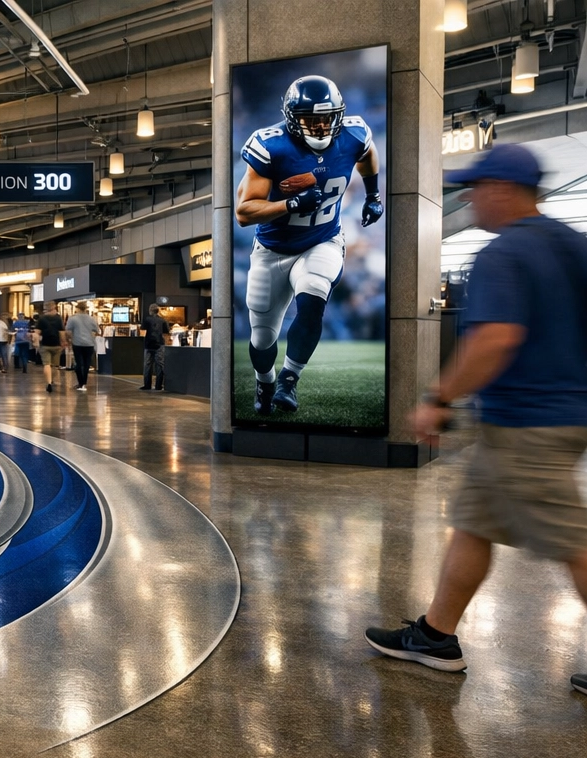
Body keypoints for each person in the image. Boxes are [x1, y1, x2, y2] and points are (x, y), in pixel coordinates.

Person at [366, 144, 587, 694]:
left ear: (502, 190)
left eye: (476, 189)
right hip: (553, 416)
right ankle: (436, 636)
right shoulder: (574, 246)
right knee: (474, 523)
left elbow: (495, 339)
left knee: (571, 541)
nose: (469, 200)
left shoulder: (503, 254)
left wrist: (438, 397)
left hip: (530, 425)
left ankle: (436, 635)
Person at [236, 74, 383, 417]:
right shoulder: (271, 145)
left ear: (338, 115)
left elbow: (368, 154)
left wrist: (373, 195)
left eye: (327, 118)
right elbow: (244, 213)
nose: (319, 127)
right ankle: (265, 380)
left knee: (314, 297)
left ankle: (289, 380)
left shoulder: (353, 133)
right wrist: (289, 204)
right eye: (310, 120)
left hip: (322, 239)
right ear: (292, 119)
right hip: (272, 249)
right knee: (262, 336)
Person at [33, 304, 68, 394]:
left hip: (45, 344)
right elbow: (62, 332)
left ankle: (48, 383)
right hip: (56, 345)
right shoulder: (58, 319)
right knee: (55, 366)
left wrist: (35, 343)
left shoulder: (41, 319)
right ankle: (51, 379)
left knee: (46, 364)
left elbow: (37, 332)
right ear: (54, 308)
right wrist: (63, 342)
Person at [66, 301, 99, 392]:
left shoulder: (73, 319)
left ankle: (81, 383)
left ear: (77, 308)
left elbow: (68, 331)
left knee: (78, 363)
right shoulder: (92, 319)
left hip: (77, 343)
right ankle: (84, 382)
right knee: (87, 364)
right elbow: (96, 330)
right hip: (89, 344)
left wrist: (69, 340)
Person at [139, 304, 169, 392]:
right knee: (159, 365)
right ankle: (158, 385)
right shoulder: (163, 320)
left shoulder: (147, 319)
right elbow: (166, 332)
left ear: (150, 310)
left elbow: (142, 330)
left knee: (147, 365)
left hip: (148, 344)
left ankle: (147, 385)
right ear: (158, 311)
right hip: (159, 344)